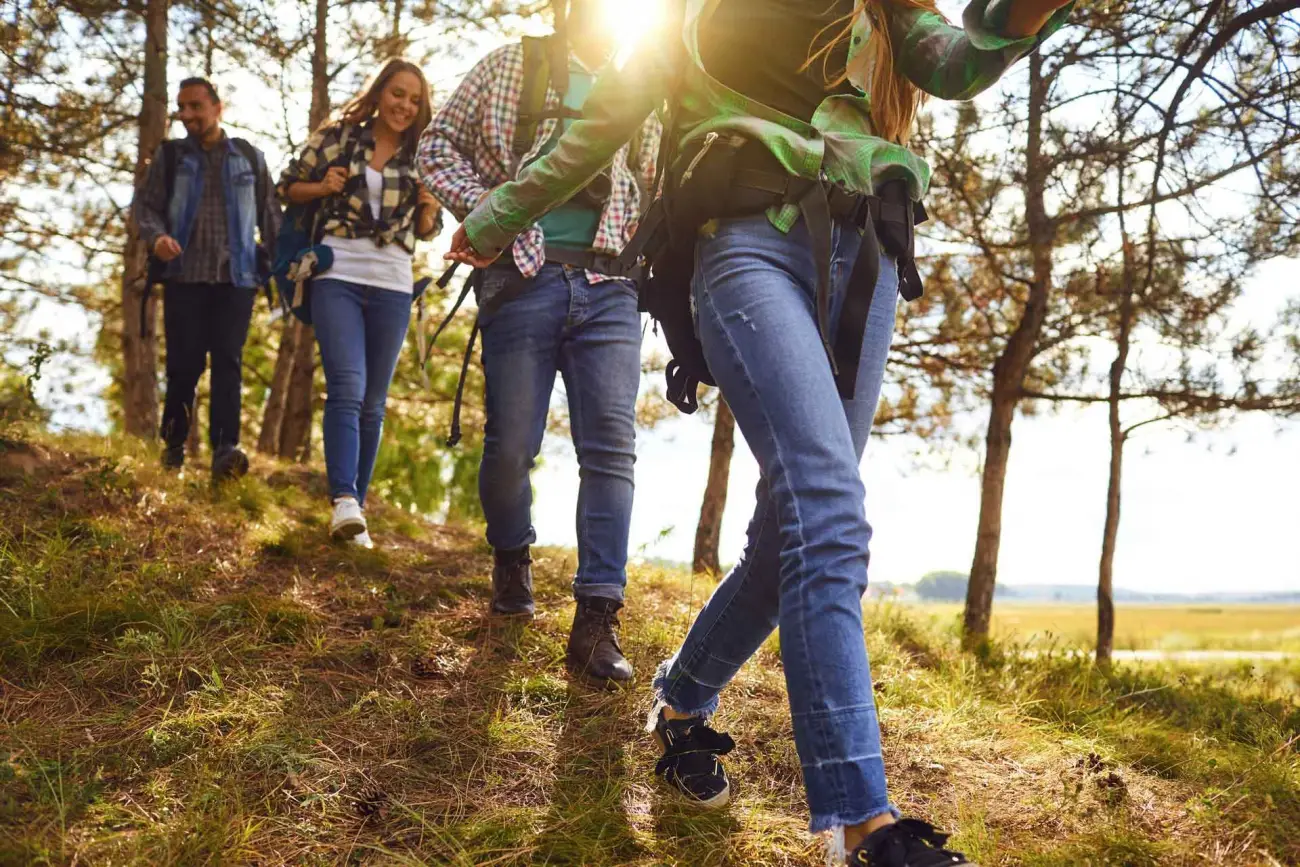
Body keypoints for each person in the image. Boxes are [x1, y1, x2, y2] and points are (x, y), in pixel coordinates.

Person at [444, 0, 1074, 863]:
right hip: (745, 242)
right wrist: (491, 220)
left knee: (792, 538)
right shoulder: (688, 20)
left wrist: (1023, 13)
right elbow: (597, 127)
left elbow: (956, 61)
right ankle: (864, 828)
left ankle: (682, 700)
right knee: (830, 513)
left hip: (869, 256)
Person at [418, 0, 660, 688]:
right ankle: (510, 557)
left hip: (611, 281)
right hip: (522, 279)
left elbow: (658, 177)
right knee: (511, 445)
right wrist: (495, 209)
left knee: (611, 448)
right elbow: (433, 149)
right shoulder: (508, 67)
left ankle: (596, 618)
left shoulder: (645, 79)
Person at [278, 59, 442, 549]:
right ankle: (343, 499)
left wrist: (430, 207)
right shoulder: (340, 137)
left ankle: (356, 516)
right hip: (338, 273)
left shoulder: (423, 154)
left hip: (394, 281)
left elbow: (428, 230)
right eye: (398, 94)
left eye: (415, 100)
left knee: (374, 402)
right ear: (380, 92)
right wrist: (322, 186)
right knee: (347, 387)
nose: (405, 106)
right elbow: (287, 185)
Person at [136, 77, 279, 481]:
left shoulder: (250, 157)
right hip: (185, 276)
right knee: (183, 365)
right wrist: (158, 238)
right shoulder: (171, 157)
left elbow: (271, 216)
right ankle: (173, 450)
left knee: (228, 363)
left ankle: (224, 451)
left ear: (218, 107)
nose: (187, 115)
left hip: (238, 278)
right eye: (182, 108)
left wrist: (278, 263)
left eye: (195, 106)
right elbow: (145, 210)